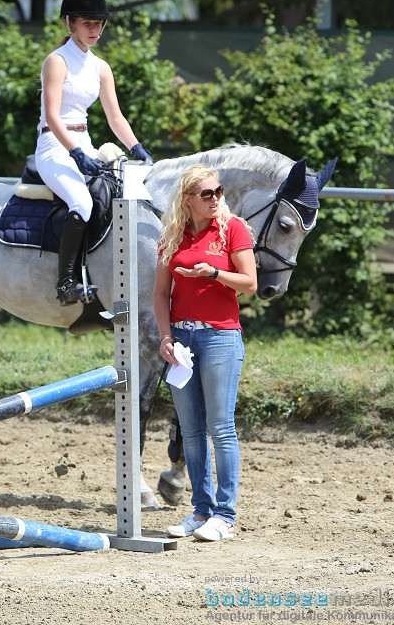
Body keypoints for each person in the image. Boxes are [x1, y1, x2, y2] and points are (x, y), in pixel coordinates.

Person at [153, 164, 256, 542]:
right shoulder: (172, 236)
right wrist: (165, 336)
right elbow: (160, 294)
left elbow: (250, 283)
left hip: (219, 338)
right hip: (181, 340)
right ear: (188, 200)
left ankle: (225, 515)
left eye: (218, 191)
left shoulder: (234, 229)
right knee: (192, 431)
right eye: (207, 194)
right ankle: (201, 510)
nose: (215, 199)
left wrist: (213, 274)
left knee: (221, 427)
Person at [36, 0, 152, 305]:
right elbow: (52, 115)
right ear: (70, 23)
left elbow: (115, 118)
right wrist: (74, 151)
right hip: (55, 147)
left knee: (117, 195)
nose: (95, 29)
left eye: (99, 24)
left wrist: (136, 147)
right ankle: (65, 284)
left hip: (85, 144)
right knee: (83, 204)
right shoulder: (56, 61)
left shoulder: (101, 67)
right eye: (88, 23)